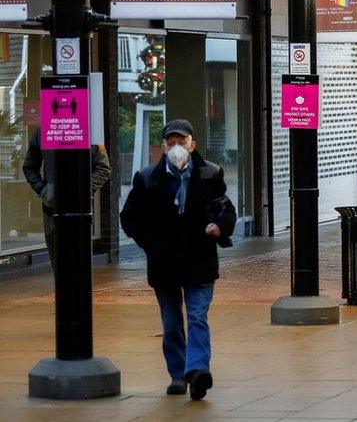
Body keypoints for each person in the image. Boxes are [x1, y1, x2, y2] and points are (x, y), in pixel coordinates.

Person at [120, 119, 237, 400]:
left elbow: (224, 208)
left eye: (181, 142)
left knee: (197, 316)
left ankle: (197, 371)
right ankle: (177, 373)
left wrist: (219, 226)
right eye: (170, 143)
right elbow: (130, 217)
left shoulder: (211, 174)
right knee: (171, 322)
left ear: (192, 144)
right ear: (163, 147)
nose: (176, 148)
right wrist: (152, 245)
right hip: (165, 263)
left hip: (199, 261)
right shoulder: (147, 178)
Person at [22, 129, 112, 268]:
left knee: (79, 262)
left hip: (80, 209)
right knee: (58, 263)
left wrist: (82, 191)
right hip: (52, 209)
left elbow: (103, 168)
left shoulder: (89, 131)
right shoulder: (43, 132)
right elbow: (29, 167)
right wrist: (44, 190)